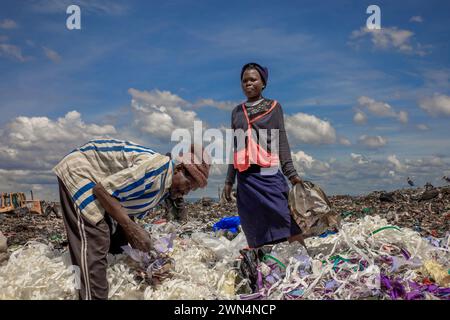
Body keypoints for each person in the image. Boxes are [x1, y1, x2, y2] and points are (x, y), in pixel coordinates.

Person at [53, 139, 209, 299]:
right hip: (81, 171)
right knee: (96, 237)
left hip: (100, 186)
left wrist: (136, 240)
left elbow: (127, 207)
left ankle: (109, 283)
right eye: (188, 185)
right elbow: (101, 190)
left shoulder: (164, 188)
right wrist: (132, 229)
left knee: (120, 243)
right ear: (179, 169)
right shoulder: (156, 169)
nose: (186, 192)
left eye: (191, 190)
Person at [223, 62, 304, 249]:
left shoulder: (273, 106)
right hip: (245, 177)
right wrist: (229, 181)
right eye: (244, 80)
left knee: (284, 216)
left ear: (263, 83)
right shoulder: (236, 112)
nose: (248, 84)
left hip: (268, 172)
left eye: (253, 79)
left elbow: (281, 138)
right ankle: (266, 267)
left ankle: (304, 261)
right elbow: (235, 147)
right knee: (253, 222)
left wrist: (290, 172)